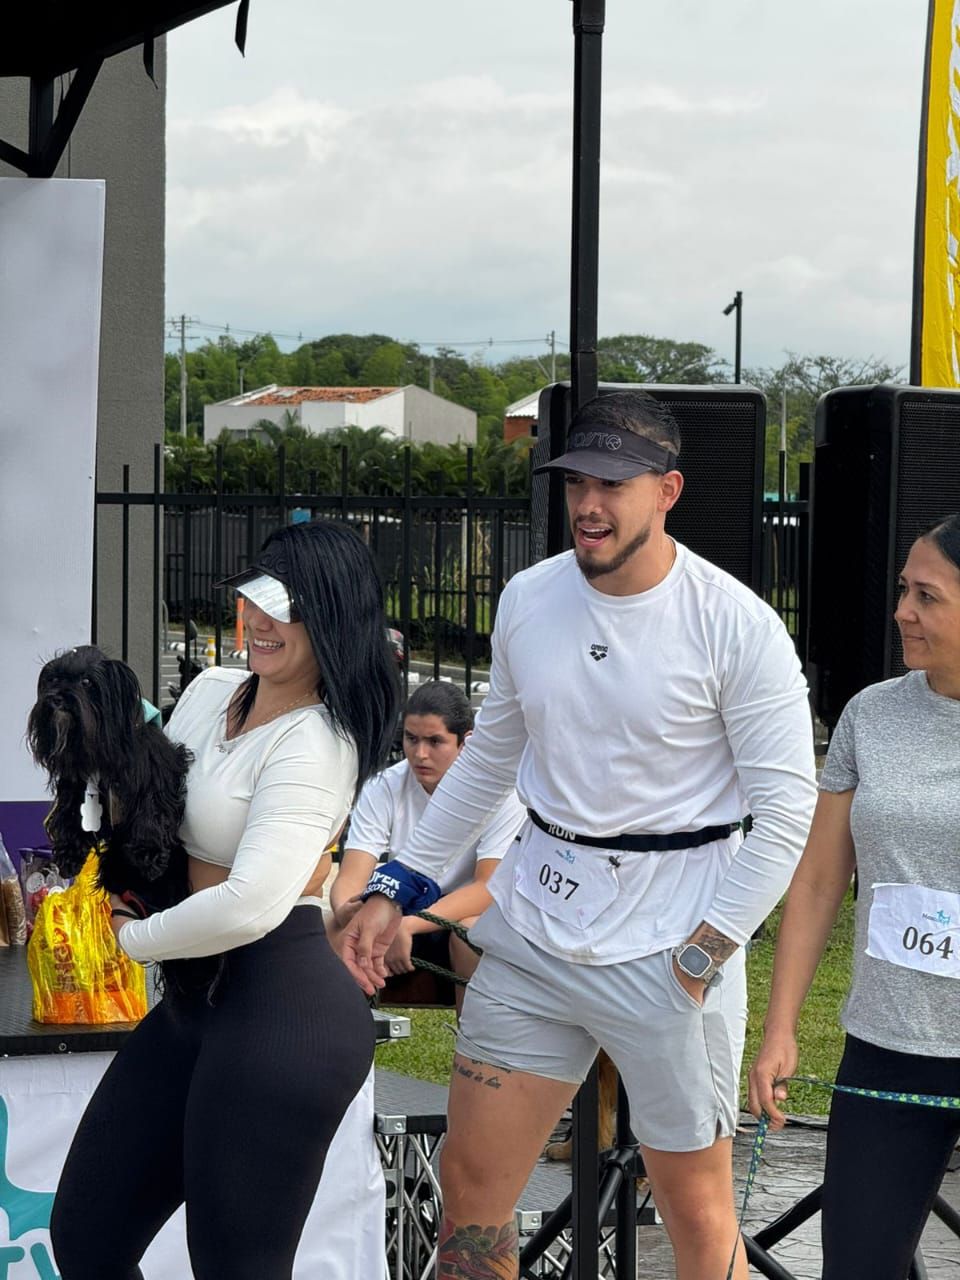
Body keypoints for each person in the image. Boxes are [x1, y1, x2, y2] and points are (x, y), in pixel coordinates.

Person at [343, 390, 817, 1280]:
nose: (589, 505)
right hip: (532, 933)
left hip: (672, 949)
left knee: (698, 1222)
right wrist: (397, 883)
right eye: (576, 484)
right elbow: (489, 765)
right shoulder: (529, 597)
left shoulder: (738, 625)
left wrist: (705, 953)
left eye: (614, 485)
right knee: (471, 1196)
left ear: (668, 489)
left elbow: (787, 813)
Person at [50, 519, 399, 1280]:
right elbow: (149, 807)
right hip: (193, 1005)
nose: (261, 622)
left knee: (237, 1269)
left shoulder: (318, 741)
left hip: (282, 1011)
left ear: (333, 618)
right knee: (85, 1235)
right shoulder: (212, 692)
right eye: (256, 599)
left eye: (286, 606)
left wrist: (129, 940)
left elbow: (248, 905)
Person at [748, 514, 960, 1280]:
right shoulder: (871, 715)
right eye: (905, 589)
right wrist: (780, 1028)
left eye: (927, 596)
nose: (903, 610)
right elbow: (816, 882)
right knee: (860, 1265)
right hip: (889, 1047)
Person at [330, 680, 526, 1013]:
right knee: (327, 931)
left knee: (471, 935)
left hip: (457, 917)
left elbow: (487, 887)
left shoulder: (504, 794)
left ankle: (476, 1054)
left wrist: (407, 924)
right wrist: (348, 909)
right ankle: (347, 1054)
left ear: (466, 742)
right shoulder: (385, 786)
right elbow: (351, 876)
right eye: (411, 739)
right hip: (397, 915)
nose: (420, 754)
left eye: (435, 741)